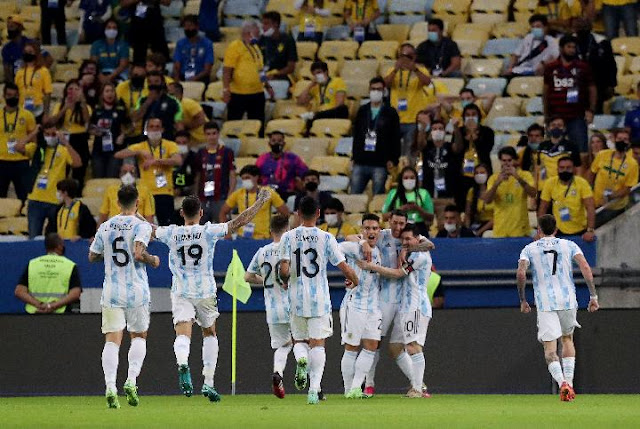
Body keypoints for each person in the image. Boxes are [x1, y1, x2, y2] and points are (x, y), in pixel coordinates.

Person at [155, 190, 271, 400]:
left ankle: (183, 363)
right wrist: (260, 203)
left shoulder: (171, 233)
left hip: (181, 290)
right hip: (205, 290)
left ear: (182, 213)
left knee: (182, 334)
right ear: (201, 213)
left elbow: (150, 229)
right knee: (209, 333)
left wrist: (129, 214)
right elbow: (238, 222)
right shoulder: (209, 231)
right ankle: (208, 383)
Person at [278, 196, 359, 404]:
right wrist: (354, 278)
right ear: (318, 214)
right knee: (318, 344)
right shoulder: (326, 237)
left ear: (297, 214)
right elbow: (342, 265)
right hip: (319, 299)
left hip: (296, 298)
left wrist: (285, 279)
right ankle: (314, 391)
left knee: (299, 340)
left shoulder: (288, 237)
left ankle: (301, 359)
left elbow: (284, 270)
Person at [89, 184, 160, 409]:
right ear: (137, 202)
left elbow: (92, 256)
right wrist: (153, 260)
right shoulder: (142, 226)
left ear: (117, 203)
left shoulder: (106, 226)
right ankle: (131, 380)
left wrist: (108, 256)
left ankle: (110, 386)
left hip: (112, 290)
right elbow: (139, 253)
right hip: (137, 290)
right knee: (138, 336)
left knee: (112, 339)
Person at [353, 209, 435, 398]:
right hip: (386, 299)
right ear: (388, 221)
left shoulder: (413, 240)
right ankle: (370, 385)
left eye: (401, 224)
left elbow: (430, 245)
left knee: (411, 345)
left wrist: (408, 248)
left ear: (406, 224)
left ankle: (417, 385)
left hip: (409, 303)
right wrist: (363, 241)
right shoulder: (382, 235)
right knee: (382, 344)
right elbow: (352, 236)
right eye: (395, 223)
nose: (398, 228)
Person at [517, 214, 599, 402]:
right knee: (567, 339)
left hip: (545, 302)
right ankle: (569, 383)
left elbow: (521, 273)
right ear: (556, 229)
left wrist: (522, 299)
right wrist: (593, 295)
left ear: (538, 230)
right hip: (567, 299)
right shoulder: (569, 245)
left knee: (550, 349)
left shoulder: (529, 249)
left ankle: (562, 382)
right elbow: (585, 267)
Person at [245, 214, 292, 399]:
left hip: (272, 308)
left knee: (282, 345)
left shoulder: (262, 251)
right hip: (292, 305)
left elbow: (247, 277)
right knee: (304, 344)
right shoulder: (289, 249)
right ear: (287, 230)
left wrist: (264, 280)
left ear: (270, 230)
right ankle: (316, 388)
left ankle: (278, 372)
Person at [338, 213, 382, 398]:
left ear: (379, 231)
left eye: (374, 228)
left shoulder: (379, 251)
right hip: (353, 304)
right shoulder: (352, 247)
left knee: (371, 345)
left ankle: (357, 387)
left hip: (373, 306)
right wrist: (348, 271)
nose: (371, 232)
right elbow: (333, 250)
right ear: (362, 230)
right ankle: (348, 389)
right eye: (367, 228)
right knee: (351, 347)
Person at [114, 117, 182, 226]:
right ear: (146, 129)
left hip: (165, 192)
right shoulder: (141, 146)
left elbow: (178, 160)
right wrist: (139, 152)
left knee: (167, 226)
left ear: (162, 129)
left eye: (157, 127)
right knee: (144, 226)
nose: (154, 129)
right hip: (145, 192)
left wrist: (156, 161)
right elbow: (118, 154)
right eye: (151, 127)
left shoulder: (170, 145)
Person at [27, 121, 82, 238]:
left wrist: (66, 142)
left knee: (55, 238)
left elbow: (78, 163)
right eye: (47, 134)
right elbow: (17, 147)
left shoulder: (63, 150)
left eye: (53, 134)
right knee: (32, 237)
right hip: (35, 199)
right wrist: (33, 133)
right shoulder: (36, 148)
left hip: (55, 201)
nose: (50, 137)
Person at [543, 35, 596, 153]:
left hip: (576, 116)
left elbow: (592, 88)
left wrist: (591, 110)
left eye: (574, 47)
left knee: (580, 150)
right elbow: (546, 91)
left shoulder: (583, 67)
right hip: (555, 116)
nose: (572, 50)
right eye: (569, 47)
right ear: (561, 48)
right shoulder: (551, 67)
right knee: (552, 150)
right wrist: (546, 114)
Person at [350, 77, 400, 195]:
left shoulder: (391, 112)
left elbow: (395, 137)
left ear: (384, 91)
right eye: (373, 89)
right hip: (361, 160)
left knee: (378, 195)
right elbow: (356, 135)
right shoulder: (362, 110)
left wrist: (393, 159)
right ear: (369, 90)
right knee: (354, 194)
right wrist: (354, 156)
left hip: (380, 161)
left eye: (379, 89)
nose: (376, 92)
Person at [384, 43, 434, 157]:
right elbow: (385, 84)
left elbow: (427, 82)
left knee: (410, 153)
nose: (405, 59)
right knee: (393, 153)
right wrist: (396, 69)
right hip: (395, 119)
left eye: (409, 56)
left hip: (413, 119)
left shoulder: (421, 70)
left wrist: (415, 69)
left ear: (414, 57)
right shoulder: (392, 70)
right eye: (403, 56)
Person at [222, 20, 273, 130]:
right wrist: (226, 90)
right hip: (238, 94)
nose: (259, 34)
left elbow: (260, 70)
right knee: (233, 124)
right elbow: (227, 70)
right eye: (257, 32)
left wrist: (267, 86)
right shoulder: (235, 46)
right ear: (248, 32)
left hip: (257, 93)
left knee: (257, 125)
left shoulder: (256, 47)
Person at [14, 233, 82, 314]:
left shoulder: (32, 264)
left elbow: (19, 291)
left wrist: (39, 305)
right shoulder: (69, 265)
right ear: (59, 246)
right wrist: (52, 306)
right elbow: (75, 293)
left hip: (34, 314)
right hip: (61, 315)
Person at [219, 164, 289, 239]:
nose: (245, 181)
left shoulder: (268, 192)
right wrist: (226, 233)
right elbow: (223, 212)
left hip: (263, 238)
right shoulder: (238, 194)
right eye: (243, 179)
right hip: (242, 237)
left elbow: (285, 213)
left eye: (247, 177)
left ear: (256, 177)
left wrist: (277, 232)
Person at [484, 147, 537, 238]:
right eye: (504, 160)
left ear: (515, 160)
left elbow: (533, 193)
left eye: (509, 160)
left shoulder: (525, 175)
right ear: (500, 161)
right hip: (500, 230)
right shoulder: (494, 178)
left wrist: (518, 178)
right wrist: (497, 183)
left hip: (521, 230)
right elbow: (487, 200)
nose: (506, 163)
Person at [538, 156, 595, 241]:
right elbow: (543, 208)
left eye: (568, 168)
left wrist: (590, 230)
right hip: (558, 231)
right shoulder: (550, 183)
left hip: (579, 231)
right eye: (562, 168)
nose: (565, 170)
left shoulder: (582, 183)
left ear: (574, 169)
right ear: (557, 169)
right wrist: (540, 231)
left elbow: (590, 207)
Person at [50, 79, 92, 190]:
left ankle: (77, 195)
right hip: (64, 139)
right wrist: (65, 107)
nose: (73, 91)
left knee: (79, 172)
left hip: (80, 139)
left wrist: (81, 102)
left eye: (76, 89)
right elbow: (53, 122)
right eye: (70, 89)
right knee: (62, 171)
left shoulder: (86, 106)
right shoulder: (59, 105)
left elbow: (87, 121)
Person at [587, 135, 639, 225]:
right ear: (614, 140)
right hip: (596, 203)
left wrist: (610, 197)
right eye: (619, 138)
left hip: (615, 207)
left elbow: (627, 189)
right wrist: (588, 193)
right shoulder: (603, 154)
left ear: (629, 143)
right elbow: (591, 173)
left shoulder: (633, 164)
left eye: (625, 139)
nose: (621, 141)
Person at [452, 103, 494, 209]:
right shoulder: (459, 131)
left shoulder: (487, 132)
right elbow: (457, 149)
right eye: (468, 115)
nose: (470, 117)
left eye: (473, 114)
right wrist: (456, 130)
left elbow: (486, 149)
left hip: (481, 175)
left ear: (479, 117)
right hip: (462, 175)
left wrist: (474, 133)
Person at [192, 121, 236, 224]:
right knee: (200, 230)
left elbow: (232, 175)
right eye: (208, 134)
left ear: (218, 134)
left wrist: (229, 197)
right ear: (204, 135)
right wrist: (195, 196)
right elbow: (197, 176)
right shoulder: (200, 152)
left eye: (214, 133)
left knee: (224, 229)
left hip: (221, 197)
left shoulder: (227, 152)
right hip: (202, 198)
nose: (211, 137)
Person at [0, 82, 38, 201]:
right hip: (1, 161)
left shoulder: (27, 115)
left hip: (21, 161)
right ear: (4, 96)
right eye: (9, 95)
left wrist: (27, 151)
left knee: (24, 197)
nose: (13, 98)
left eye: (16, 95)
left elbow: (34, 141)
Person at [573, 18, 616, 113]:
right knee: (573, 110)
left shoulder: (602, 42)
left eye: (584, 26)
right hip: (574, 85)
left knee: (595, 111)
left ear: (590, 27)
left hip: (598, 84)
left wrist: (611, 84)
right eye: (579, 26)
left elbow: (611, 64)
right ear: (574, 28)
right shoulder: (569, 42)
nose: (582, 28)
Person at [90, 82, 130, 178]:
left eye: (112, 91)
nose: (110, 94)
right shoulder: (97, 110)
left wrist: (123, 135)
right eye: (107, 91)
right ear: (102, 94)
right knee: (98, 179)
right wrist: (94, 131)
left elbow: (130, 126)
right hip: (98, 150)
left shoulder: (120, 109)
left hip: (115, 150)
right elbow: (89, 126)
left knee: (112, 178)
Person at [534, 117, 583, 193]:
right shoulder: (542, 146)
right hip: (543, 189)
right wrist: (535, 191)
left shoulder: (571, 146)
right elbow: (537, 169)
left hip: (563, 189)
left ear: (564, 128)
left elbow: (578, 169)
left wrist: (576, 188)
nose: (556, 128)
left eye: (559, 125)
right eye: (553, 125)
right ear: (549, 128)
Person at [382, 166, 434, 237]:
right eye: (406, 178)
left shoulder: (424, 193)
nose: (409, 180)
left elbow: (431, 217)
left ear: (416, 179)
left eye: (412, 178)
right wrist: (400, 210)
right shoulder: (393, 193)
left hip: (419, 227)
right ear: (401, 179)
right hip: (398, 227)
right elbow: (384, 217)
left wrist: (417, 208)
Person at [256, 131, 308, 199]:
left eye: (280, 141)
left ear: (284, 143)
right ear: (269, 144)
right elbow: (255, 176)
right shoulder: (262, 159)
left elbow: (306, 173)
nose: (276, 143)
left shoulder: (293, 158)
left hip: (288, 193)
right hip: (266, 194)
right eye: (273, 141)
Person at [416, 118, 459, 200]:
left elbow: (458, 147)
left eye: (440, 128)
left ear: (444, 131)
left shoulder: (449, 146)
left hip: (447, 192)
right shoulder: (427, 146)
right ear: (431, 132)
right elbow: (420, 144)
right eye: (434, 129)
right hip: (429, 191)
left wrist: (455, 128)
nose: (437, 131)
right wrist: (422, 128)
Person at [133, 71, 183, 140]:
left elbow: (178, 124)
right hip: (146, 139)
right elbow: (135, 118)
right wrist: (148, 101)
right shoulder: (142, 100)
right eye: (150, 82)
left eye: (156, 81)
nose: (153, 84)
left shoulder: (173, 102)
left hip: (166, 139)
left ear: (162, 83)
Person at [15, 41, 52, 122]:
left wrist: (46, 114)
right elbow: (16, 92)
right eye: (25, 52)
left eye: (30, 52)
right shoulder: (19, 72)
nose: (27, 54)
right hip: (22, 109)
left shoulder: (44, 71)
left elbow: (48, 94)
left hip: (38, 109)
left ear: (36, 54)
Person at [172, 15, 214, 84]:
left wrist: (193, 79)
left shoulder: (207, 44)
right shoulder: (180, 43)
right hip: (183, 77)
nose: (188, 28)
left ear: (197, 27)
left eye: (190, 25)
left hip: (200, 78)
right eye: (185, 26)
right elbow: (177, 66)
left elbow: (207, 69)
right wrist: (177, 81)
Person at [259, 12, 298, 82]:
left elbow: (291, 67)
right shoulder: (261, 39)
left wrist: (275, 74)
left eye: (266, 24)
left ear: (276, 24)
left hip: (280, 77)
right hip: (262, 76)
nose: (263, 26)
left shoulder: (288, 40)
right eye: (263, 23)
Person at [90, 17, 131, 84]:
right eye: (109, 27)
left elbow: (123, 65)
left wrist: (110, 77)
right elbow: (93, 64)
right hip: (100, 74)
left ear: (118, 30)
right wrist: (101, 77)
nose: (111, 30)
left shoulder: (123, 45)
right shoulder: (96, 44)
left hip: (118, 74)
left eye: (114, 28)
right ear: (104, 29)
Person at [116, 62, 146, 142]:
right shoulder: (121, 87)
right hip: (125, 128)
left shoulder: (148, 88)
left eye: (141, 76)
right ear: (130, 74)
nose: (138, 78)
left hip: (144, 130)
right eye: (135, 75)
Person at [465, 164, 494, 237]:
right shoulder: (472, 191)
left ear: (488, 174)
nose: (479, 175)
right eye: (476, 173)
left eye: (482, 172)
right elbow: (467, 214)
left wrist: (479, 232)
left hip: (493, 225)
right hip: (478, 223)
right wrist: (467, 229)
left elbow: (496, 218)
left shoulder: (494, 190)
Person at [2, 16, 32, 84]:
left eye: (12, 26)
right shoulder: (6, 48)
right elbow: (7, 71)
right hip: (16, 82)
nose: (9, 30)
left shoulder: (31, 43)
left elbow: (49, 59)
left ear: (20, 28)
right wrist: (13, 85)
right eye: (8, 27)